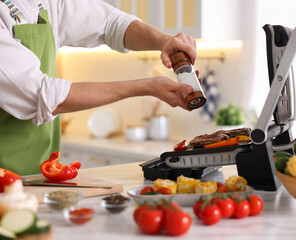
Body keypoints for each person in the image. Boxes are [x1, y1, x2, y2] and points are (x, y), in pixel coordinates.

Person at [0, 0, 198, 176]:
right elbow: (41, 94)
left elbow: (110, 23)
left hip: (41, 172)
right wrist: (147, 86)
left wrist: (163, 40)